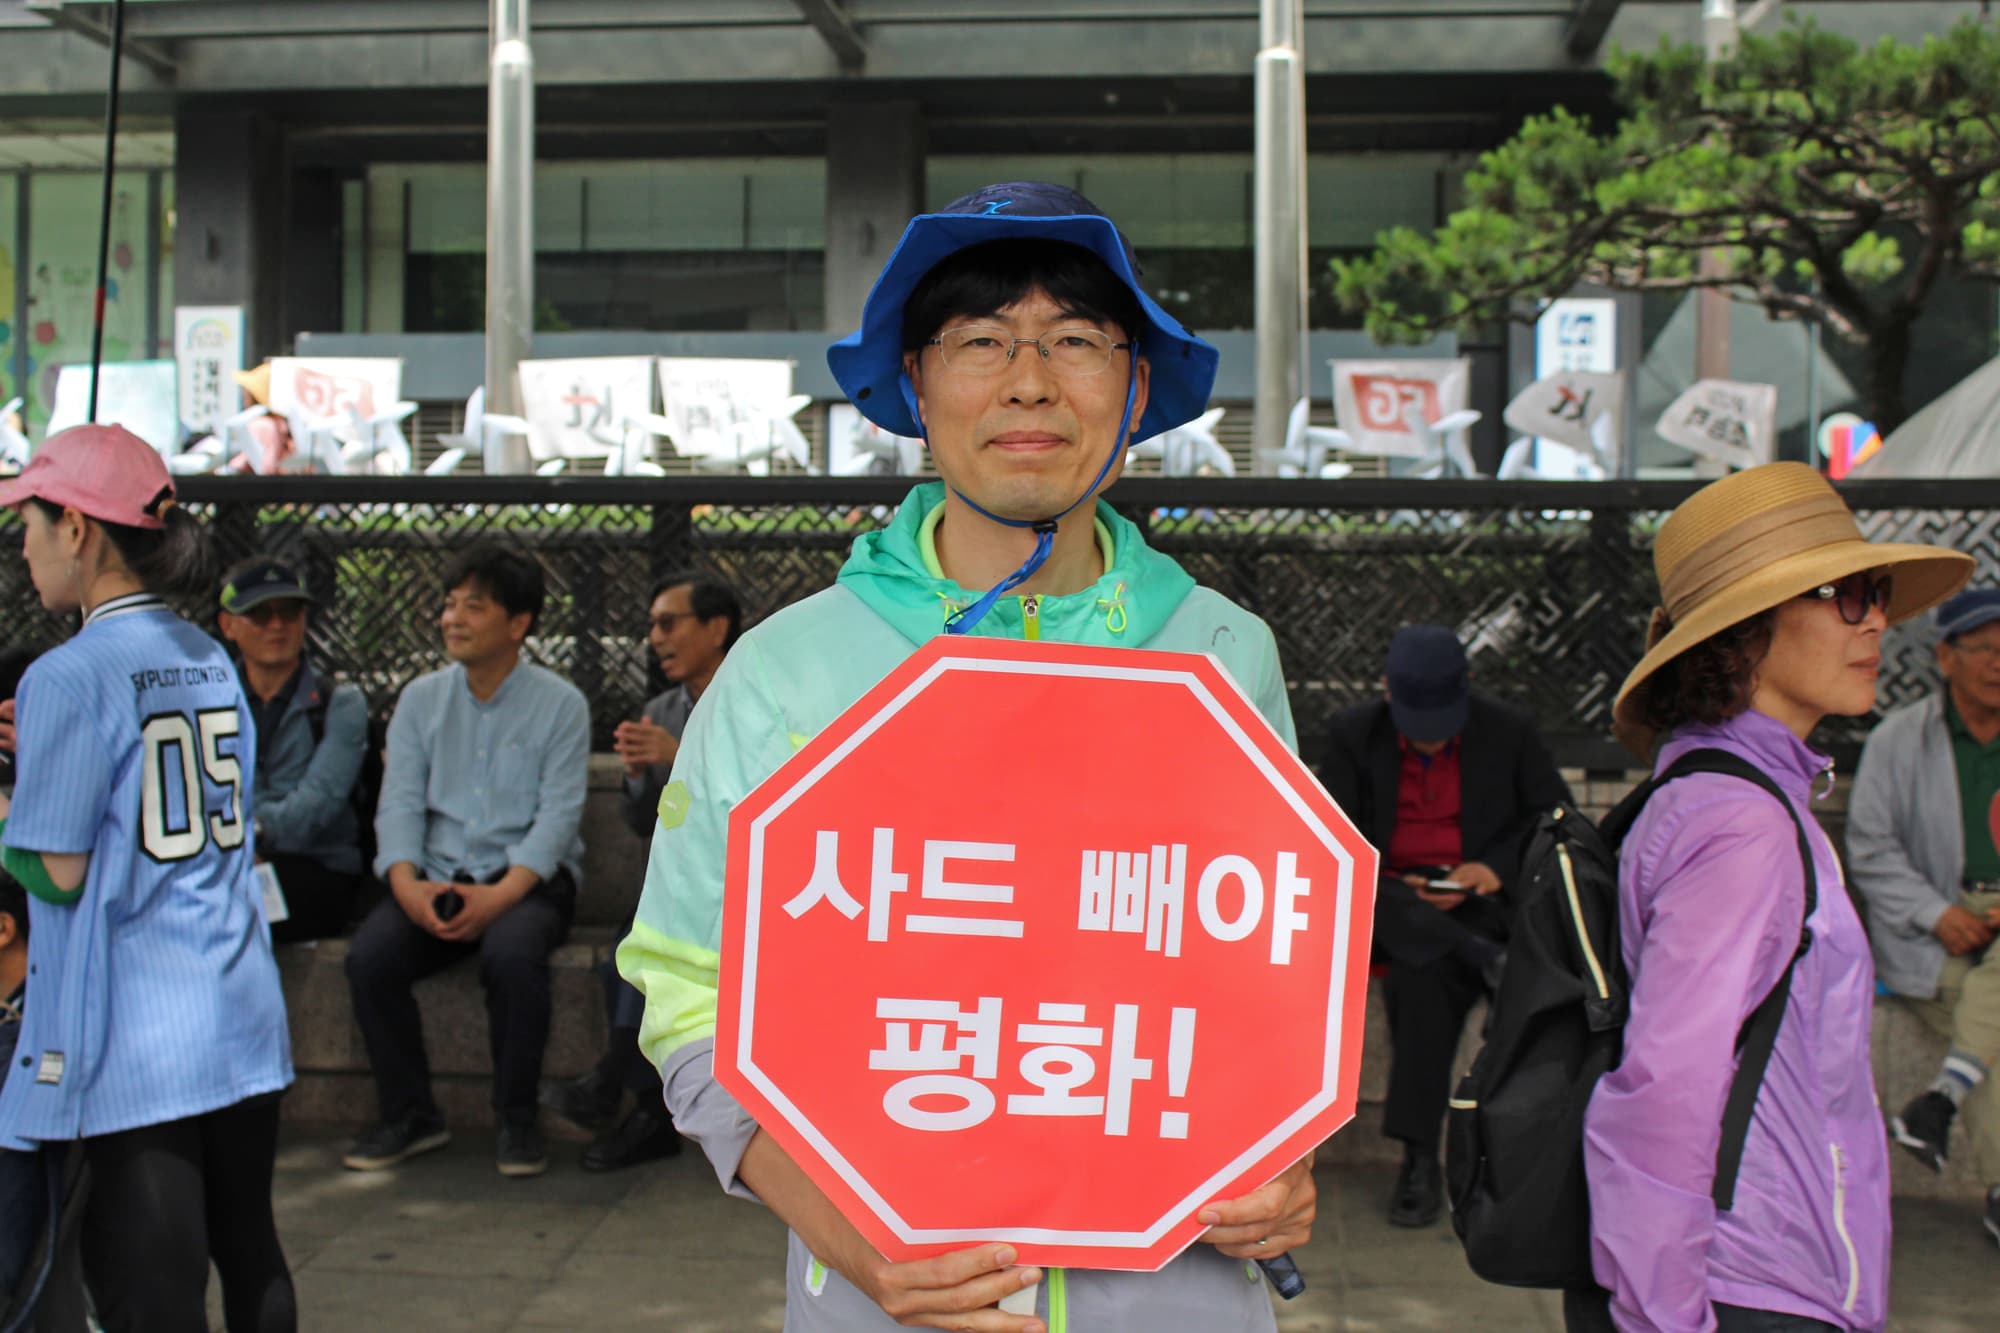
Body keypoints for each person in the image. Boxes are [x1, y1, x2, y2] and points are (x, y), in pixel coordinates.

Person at [618, 183, 1314, 1333]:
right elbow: (689, 995)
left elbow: (1275, 978)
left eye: (1077, 340)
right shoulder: (787, 671)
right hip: (879, 1300)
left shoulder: (1225, 655)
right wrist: (854, 1244)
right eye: (980, 340)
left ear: (1135, 385)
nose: (1029, 380)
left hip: (1175, 1299)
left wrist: (1283, 1157)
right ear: (914, 385)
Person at [1571, 462, 1970, 1333]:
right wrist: (1668, 1317)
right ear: (1747, 628)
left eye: (1880, 592)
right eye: (1851, 593)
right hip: (1748, 1284)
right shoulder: (1742, 823)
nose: (1879, 621)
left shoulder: (1724, 795)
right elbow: (1666, 1089)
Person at [0, 423, 296, 1332]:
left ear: (80, 529)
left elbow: (54, 871)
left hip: (134, 1034)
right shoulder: (210, 655)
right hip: (238, 1003)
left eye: (33, 522)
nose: (24, 546)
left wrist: (18, 801)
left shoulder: (67, 672)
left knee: (149, 1286)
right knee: (250, 1250)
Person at [342, 542, 590, 1179]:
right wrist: (405, 886)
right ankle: (410, 1115)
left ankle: (516, 1117)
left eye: (473, 607)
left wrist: (500, 896)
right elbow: (396, 804)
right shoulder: (420, 700)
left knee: (512, 957)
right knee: (370, 958)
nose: (453, 618)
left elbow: (557, 821)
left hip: (527, 882)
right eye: (449, 605)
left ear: (518, 624)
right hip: (433, 878)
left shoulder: (562, 705)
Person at [1316, 622, 1569, 1229]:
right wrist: (1399, 887)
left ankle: (1425, 1158)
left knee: (1421, 976)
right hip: (1390, 896)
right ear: (1386, 692)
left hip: (1476, 898)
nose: (1428, 739)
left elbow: (1552, 815)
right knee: (1406, 938)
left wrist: (1491, 869)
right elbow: (1333, 838)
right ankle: (1422, 1158)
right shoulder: (1352, 735)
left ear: (1470, 687)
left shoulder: (1509, 731)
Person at [546, 570, 740, 1171]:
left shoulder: (751, 694)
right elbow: (642, 823)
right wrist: (637, 777)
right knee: (622, 961)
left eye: (669, 622)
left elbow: (768, 802)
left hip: (751, 886)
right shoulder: (661, 708)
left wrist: (676, 758)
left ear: (716, 627)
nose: (655, 637)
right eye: (652, 624)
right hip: (685, 887)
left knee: (651, 959)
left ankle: (617, 1089)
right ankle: (647, 1111)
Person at [1847, 585, 2000, 1245]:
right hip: (1938, 925)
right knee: (1990, 1025)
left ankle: (1939, 1100)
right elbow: (1871, 848)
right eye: (1986, 647)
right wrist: (1938, 912)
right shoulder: (1898, 739)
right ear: (1946, 655)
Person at [216, 554, 370, 943]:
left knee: (227, 913)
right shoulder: (208, 700)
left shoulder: (341, 702)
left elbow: (319, 803)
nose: (277, 626)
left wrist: (254, 833)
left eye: (290, 613)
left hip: (318, 867)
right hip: (231, 859)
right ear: (228, 625)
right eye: (260, 615)